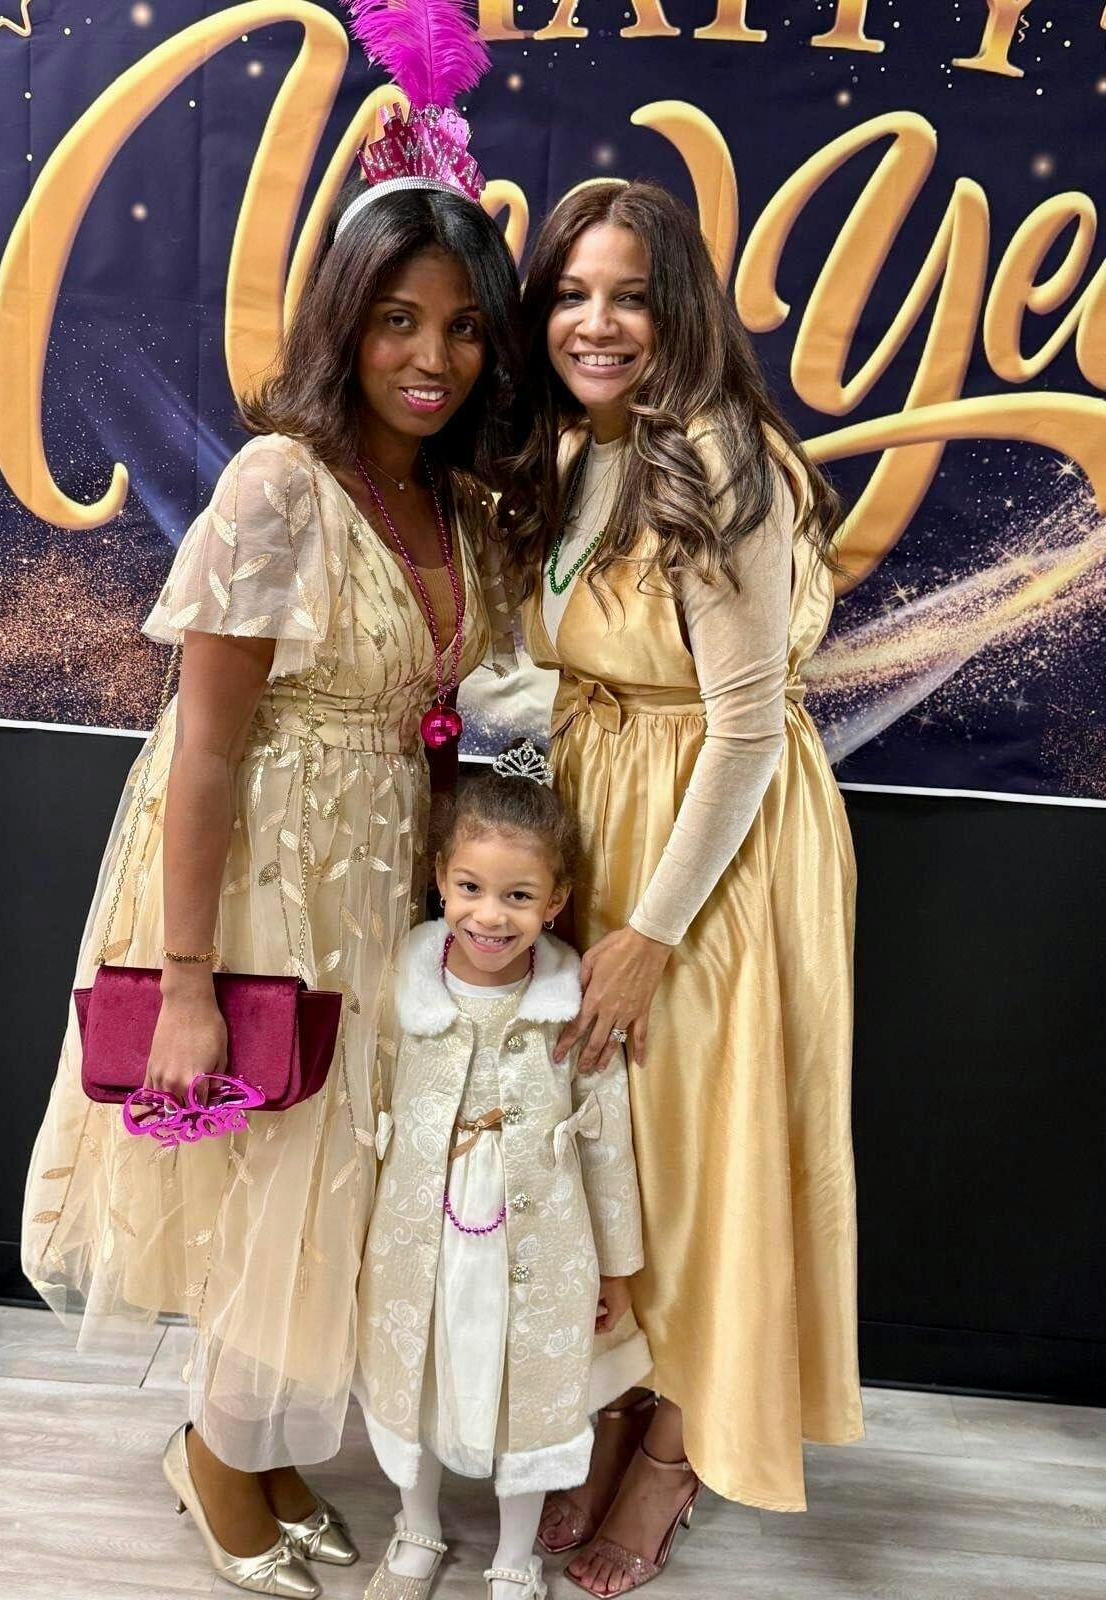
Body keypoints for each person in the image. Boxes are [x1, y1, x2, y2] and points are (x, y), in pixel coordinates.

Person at [19, 92, 523, 1600]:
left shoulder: (452, 500)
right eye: (396, 320)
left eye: (462, 328)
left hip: (372, 882)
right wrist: (186, 981)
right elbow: (203, 747)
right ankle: (217, 1455)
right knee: (265, 1168)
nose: (431, 357)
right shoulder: (278, 484)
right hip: (254, 881)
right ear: (342, 324)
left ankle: (253, 1440)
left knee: (331, 1184)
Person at [498, 180, 863, 1594]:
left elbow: (750, 727)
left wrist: (651, 931)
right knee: (624, 1149)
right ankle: (621, 1396)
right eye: (571, 293)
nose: (596, 323)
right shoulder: (576, 445)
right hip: (605, 812)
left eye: (631, 296)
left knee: (707, 1150)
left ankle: (678, 1445)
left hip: (717, 845)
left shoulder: (720, 454)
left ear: (683, 310)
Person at [355, 746, 652, 1600]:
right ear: (440, 884)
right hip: (420, 1230)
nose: (490, 916)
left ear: (555, 901)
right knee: (415, 1373)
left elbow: (607, 1143)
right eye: (471, 889)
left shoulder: (573, 1005)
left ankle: (516, 1553)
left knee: (533, 1390)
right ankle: (416, 1527)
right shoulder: (399, 984)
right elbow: (362, 1107)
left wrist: (619, 1270)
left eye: (519, 896)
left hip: (540, 1238)